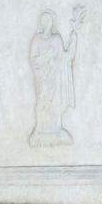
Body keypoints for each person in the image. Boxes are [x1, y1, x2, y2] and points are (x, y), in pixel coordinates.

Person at [28, 8, 82, 146]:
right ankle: (40, 130)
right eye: (44, 20)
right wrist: (48, 55)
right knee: (42, 102)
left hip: (55, 78)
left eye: (49, 20)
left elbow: (66, 57)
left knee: (56, 103)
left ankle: (56, 129)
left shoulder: (56, 39)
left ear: (52, 22)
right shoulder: (37, 40)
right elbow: (34, 60)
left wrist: (74, 37)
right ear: (41, 22)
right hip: (43, 78)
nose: (47, 23)